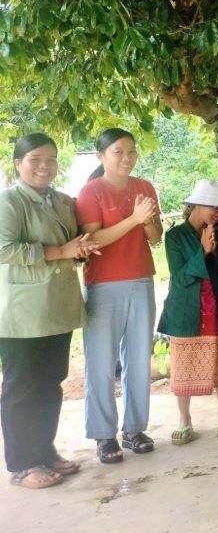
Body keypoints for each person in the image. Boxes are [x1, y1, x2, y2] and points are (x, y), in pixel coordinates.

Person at [0, 134, 99, 488]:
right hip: (23, 312)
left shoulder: (61, 201)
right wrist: (60, 252)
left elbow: (73, 241)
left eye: (51, 160)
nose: (44, 166)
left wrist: (80, 249)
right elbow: (4, 249)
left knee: (50, 383)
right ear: (18, 164)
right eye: (35, 160)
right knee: (22, 387)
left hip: (56, 305)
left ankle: (44, 450)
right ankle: (23, 465)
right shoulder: (9, 201)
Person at [78, 128, 162, 463]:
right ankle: (103, 435)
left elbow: (154, 236)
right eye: (117, 152)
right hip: (103, 285)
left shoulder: (144, 187)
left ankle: (134, 429)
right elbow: (93, 242)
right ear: (101, 156)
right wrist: (133, 219)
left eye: (131, 151)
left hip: (141, 279)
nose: (126, 158)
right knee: (100, 362)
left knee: (139, 359)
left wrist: (147, 221)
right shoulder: (90, 192)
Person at [158, 180, 218, 445]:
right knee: (183, 364)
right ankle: (184, 420)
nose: (217, 212)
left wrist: (217, 250)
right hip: (187, 307)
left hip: (217, 303)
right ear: (195, 204)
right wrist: (203, 251)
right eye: (212, 206)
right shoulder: (174, 237)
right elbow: (180, 278)